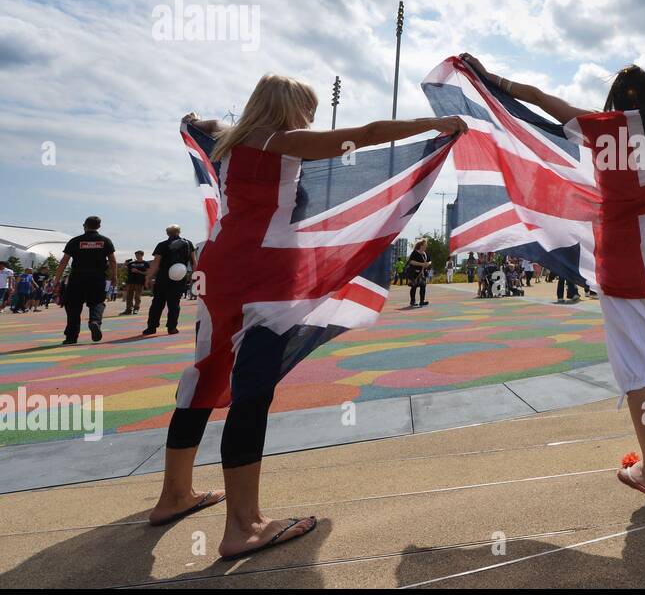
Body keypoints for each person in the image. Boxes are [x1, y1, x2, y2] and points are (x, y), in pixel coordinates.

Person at [148, 75, 466, 561]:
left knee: (203, 375)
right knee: (252, 388)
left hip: (217, 266)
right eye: (306, 110)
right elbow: (370, 132)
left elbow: (199, 124)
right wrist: (434, 124)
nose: (310, 121)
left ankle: (173, 495)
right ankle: (243, 525)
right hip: (266, 273)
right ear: (287, 108)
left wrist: (189, 121)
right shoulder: (283, 141)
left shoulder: (226, 140)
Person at [458, 53, 645, 497]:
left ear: (612, 98)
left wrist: (486, 76)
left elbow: (537, 98)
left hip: (621, 262)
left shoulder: (595, 126)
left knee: (639, 370)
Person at [53, 216, 117, 343]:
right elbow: (112, 261)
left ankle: (71, 337)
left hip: (77, 277)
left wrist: (57, 279)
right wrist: (114, 276)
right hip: (97, 278)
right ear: (99, 226)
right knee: (97, 302)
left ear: (84, 225)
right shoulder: (105, 241)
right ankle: (95, 321)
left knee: (73, 306)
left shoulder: (75, 241)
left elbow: (63, 262)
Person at [143, 226, 195, 336]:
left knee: (157, 303)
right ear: (179, 232)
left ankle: (151, 327)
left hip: (163, 277)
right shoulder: (188, 244)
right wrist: (195, 274)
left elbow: (156, 263)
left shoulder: (162, 245)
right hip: (180, 276)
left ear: (167, 234)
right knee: (174, 303)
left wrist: (148, 277)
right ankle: (172, 327)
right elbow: (194, 262)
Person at [121, 250, 149, 314]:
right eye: (136, 255)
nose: (137, 256)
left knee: (137, 296)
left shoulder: (145, 263)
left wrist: (138, 271)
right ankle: (128, 309)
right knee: (129, 296)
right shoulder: (131, 263)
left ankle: (136, 309)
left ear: (142, 255)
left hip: (139, 281)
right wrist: (124, 264)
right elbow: (122, 268)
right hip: (130, 281)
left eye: (138, 255)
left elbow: (148, 272)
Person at [406, 239, 431, 306]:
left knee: (423, 287)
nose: (426, 246)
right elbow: (410, 261)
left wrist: (428, 263)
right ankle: (412, 301)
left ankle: (422, 301)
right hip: (415, 273)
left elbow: (430, 261)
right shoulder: (415, 252)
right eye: (425, 245)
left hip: (423, 273)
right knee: (414, 287)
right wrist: (421, 264)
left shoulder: (425, 253)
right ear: (421, 245)